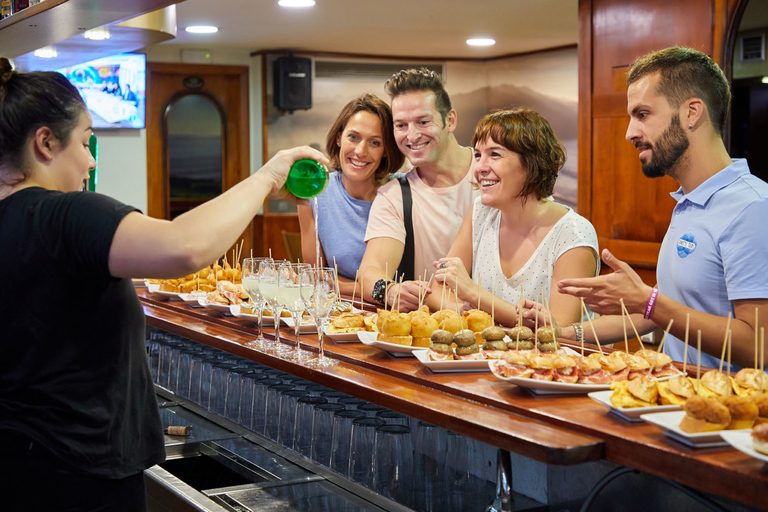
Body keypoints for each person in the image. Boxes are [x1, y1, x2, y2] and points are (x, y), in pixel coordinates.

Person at [0, 58, 326, 511]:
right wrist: (266, 179)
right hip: (78, 473)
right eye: (84, 140)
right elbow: (183, 248)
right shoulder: (63, 215)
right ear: (45, 142)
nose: (90, 159)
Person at [556, 46, 768, 370]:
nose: (630, 133)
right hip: (674, 406)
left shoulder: (753, 207)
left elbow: (758, 346)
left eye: (642, 115)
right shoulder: (687, 203)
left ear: (691, 113)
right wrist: (562, 334)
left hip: (729, 416)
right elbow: (662, 312)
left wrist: (649, 301)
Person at [431, 108, 599, 327]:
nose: (480, 167)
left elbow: (558, 328)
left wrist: (474, 295)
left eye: (495, 154)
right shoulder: (481, 212)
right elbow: (438, 290)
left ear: (531, 164)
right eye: (479, 155)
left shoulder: (573, 233)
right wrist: (468, 312)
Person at [360, 68, 476, 312]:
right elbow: (370, 271)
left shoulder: (492, 174)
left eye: (423, 122)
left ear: (451, 120)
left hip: (512, 326)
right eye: (401, 125)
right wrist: (389, 291)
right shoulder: (394, 195)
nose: (411, 136)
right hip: (433, 329)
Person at [297, 94, 404, 295]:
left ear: (386, 151)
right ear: (339, 137)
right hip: (341, 316)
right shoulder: (313, 195)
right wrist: (377, 292)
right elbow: (317, 282)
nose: (360, 151)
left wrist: (340, 285)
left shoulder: (403, 191)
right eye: (353, 137)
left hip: (400, 317)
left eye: (374, 143)